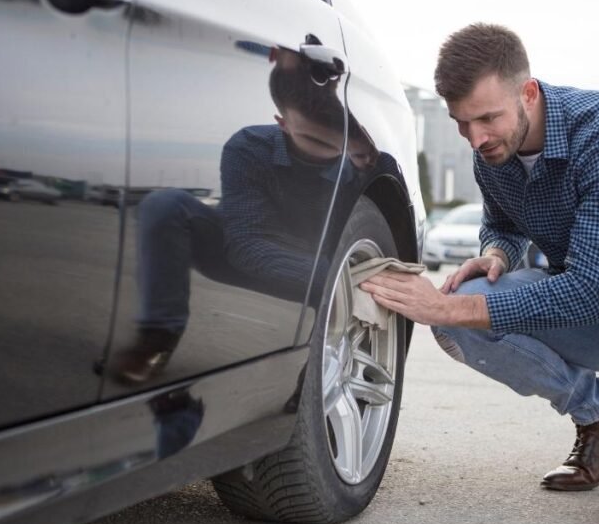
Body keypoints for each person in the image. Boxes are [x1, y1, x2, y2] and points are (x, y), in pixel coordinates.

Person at [360, 23, 599, 524]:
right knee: (461, 314)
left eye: (488, 118)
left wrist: (442, 305)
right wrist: (496, 252)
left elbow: (586, 290)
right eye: (461, 123)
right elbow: (502, 222)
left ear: (529, 93)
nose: (476, 138)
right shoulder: (490, 153)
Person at [114, 46, 393, 385]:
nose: (326, 152)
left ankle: (319, 376)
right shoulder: (248, 147)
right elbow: (246, 248)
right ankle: (156, 340)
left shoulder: (366, 163)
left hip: (321, 267)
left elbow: (380, 259)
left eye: (335, 143)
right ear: (283, 124)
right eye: (311, 138)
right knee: (165, 205)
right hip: (246, 249)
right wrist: (345, 284)